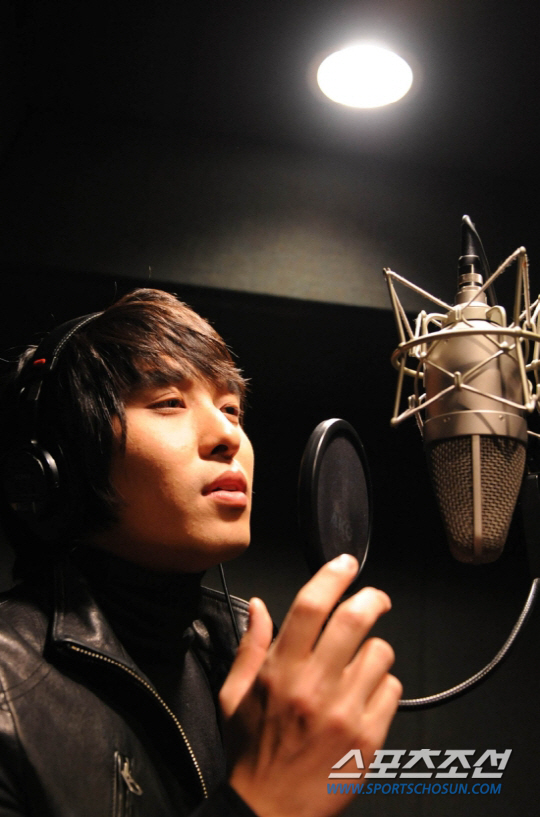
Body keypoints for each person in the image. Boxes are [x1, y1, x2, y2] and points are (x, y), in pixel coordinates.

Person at [0, 288, 401, 817]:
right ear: (61, 458)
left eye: (232, 408)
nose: (227, 434)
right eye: (169, 402)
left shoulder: (244, 668)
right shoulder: (8, 684)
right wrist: (259, 802)